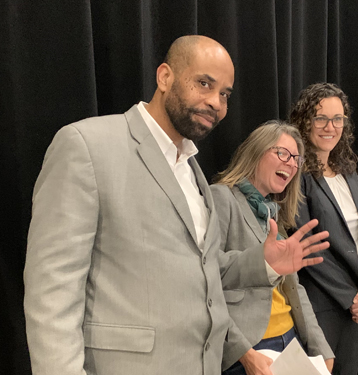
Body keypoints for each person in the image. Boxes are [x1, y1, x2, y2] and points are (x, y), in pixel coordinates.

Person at [23, 35, 330, 375]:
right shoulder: (87, 145)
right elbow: (52, 292)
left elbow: (206, 271)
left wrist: (265, 262)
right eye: (204, 83)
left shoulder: (193, 172)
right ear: (165, 76)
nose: (216, 101)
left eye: (225, 94)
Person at [211, 121, 335, 375]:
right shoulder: (221, 197)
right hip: (250, 348)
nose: (291, 163)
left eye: (296, 160)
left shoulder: (272, 214)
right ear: (256, 151)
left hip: (290, 340)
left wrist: (320, 347)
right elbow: (207, 283)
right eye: (283, 154)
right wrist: (245, 355)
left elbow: (294, 287)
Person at [289, 82, 358, 375]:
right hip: (321, 304)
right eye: (321, 118)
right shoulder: (296, 175)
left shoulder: (348, 172)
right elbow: (306, 245)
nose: (331, 126)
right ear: (305, 121)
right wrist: (351, 297)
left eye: (338, 118)